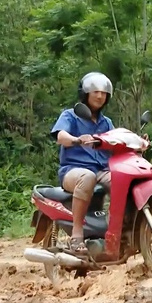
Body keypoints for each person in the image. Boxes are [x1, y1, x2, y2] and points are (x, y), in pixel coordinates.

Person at [50, 72, 115, 254]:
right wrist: (77, 139)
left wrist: (137, 142)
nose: (100, 96)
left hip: (101, 170)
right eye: (95, 92)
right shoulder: (70, 116)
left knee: (122, 179)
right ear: (85, 93)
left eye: (103, 93)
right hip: (73, 170)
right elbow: (60, 136)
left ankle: (115, 227)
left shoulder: (106, 122)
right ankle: (76, 235)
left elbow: (117, 141)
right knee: (87, 177)